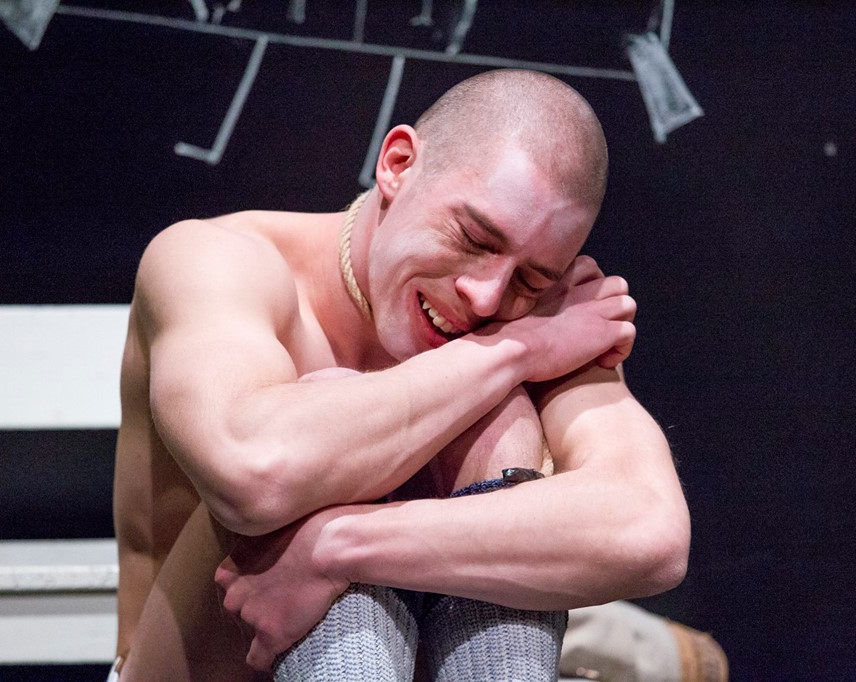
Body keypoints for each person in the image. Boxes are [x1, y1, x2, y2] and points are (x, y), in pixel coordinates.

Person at [111, 69, 691, 681]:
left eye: (530, 279)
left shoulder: (548, 312)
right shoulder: (217, 258)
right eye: (474, 238)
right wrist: (514, 352)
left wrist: (341, 548)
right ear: (397, 164)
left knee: (497, 426)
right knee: (335, 417)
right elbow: (252, 471)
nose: (487, 297)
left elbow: (649, 531)